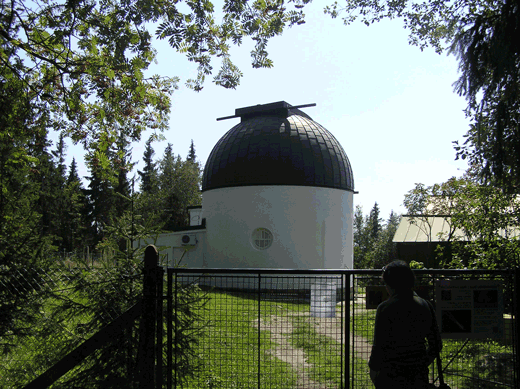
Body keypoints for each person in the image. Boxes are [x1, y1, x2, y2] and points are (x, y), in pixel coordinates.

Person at [369, 260, 442, 389]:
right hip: (419, 376)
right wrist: (422, 363)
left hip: (391, 375)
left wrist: (374, 371)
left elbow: (379, 346)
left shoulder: (385, 308)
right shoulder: (425, 305)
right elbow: (436, 344)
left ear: (390, 284)